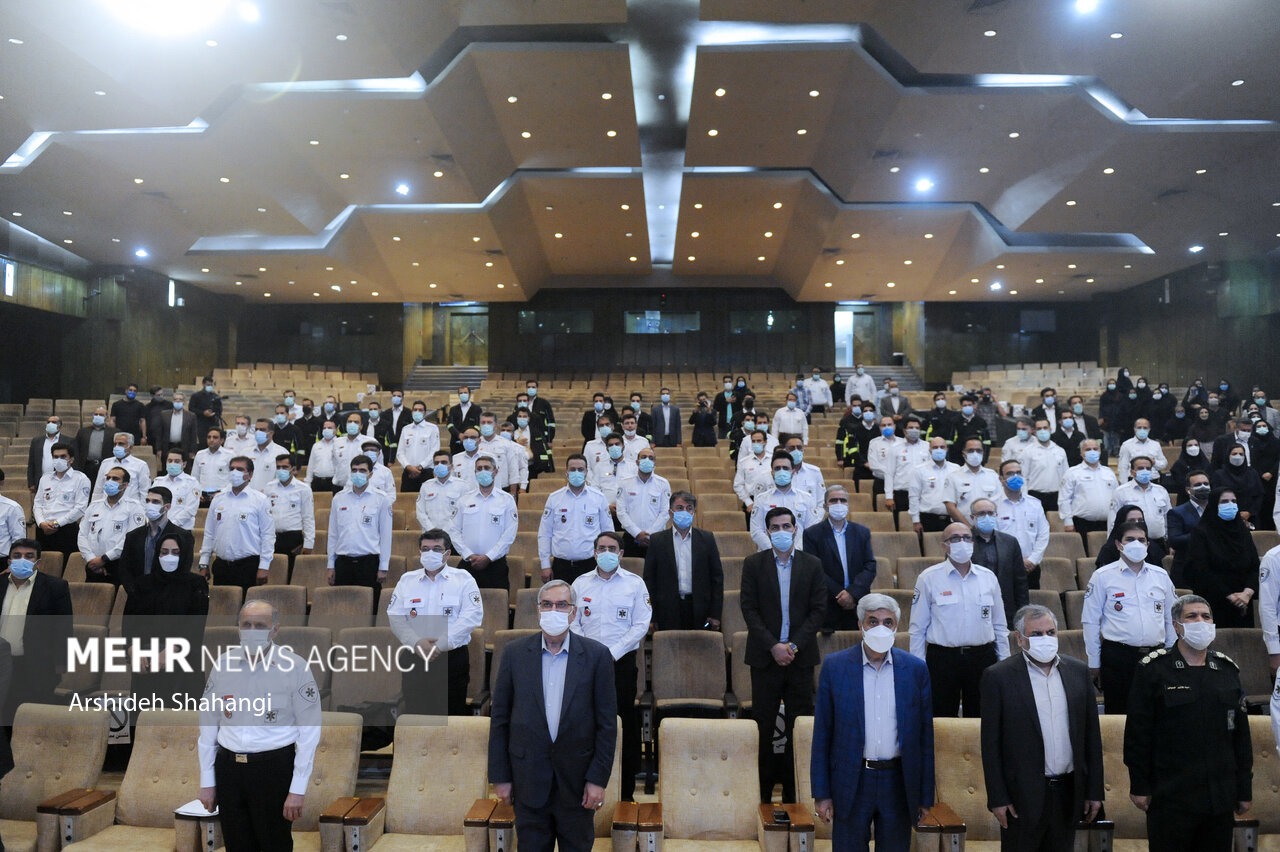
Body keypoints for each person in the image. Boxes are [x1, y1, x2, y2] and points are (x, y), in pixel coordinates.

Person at [488, 579, 617, 852]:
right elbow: (500, 720)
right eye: (547, 604)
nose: (553, 610)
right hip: (528, 781)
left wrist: (597, 780)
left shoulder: (597, 656)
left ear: (574, 611)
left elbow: (606, 726)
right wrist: (500, 776)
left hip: (578, 784)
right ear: (538, 610)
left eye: (561, 605)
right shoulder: (514, 654)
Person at [1123, 595, 1252, 852]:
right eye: (1191, 616)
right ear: (1176, 626)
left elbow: (1240, 737)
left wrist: (1244, 789)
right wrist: (1139, 785)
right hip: (1171, 796)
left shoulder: (1227, 670)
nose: (1200, 621)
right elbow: (1138, 734)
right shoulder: (1153, 670)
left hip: (1219, 797)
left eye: (1206, 616)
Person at [811, 592, 934, 852]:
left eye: (888, 622)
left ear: (896, 627)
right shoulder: (835, 667)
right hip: (851, 781)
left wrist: (925, 797)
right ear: (860, 625)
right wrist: (821, 794)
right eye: (873, 621)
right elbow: (822, 734)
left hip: (897, 782)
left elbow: (925, 738)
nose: (881, 627)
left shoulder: (915, 670)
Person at [197, 600, 322, 852]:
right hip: (229, 769)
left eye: (260, 625)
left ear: (275, 630)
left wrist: (297, 789)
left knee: (274, 845)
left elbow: (309, 732)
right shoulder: (223, 664)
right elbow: (208, 725)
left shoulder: (295, 667)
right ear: (238, 627)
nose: (252, 631)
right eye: (246, 624)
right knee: (236, 845)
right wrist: (207, 781)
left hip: (273, 769)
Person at [980, 604, 1104, 852]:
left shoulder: (1078, 671)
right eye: (1036, 634)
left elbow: (1091, 737)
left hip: (1068, 794)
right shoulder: (998, 677)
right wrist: (998, 798)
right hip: (1021, 798)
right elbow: (990, 745)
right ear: (1020, 639)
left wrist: (1094, 791)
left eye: (1050, 632)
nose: (1045, 639)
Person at [741, 507, 827, 802]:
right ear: (767, 532)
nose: (781, 531)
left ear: (795, 529)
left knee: (798, 727)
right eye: (775, 527)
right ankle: (762, 796)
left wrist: (793, 646)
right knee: (763, 728)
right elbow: (749, 609)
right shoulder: (753, 564)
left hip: (800, 659)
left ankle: (795, 796)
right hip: (765, 659)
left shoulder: (812, 564)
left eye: (786, 526)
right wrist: (773, 646)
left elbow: (818, 611)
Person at [571, 532, 651, 802]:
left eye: (612, 548)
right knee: (585, 724)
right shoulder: (580, 583)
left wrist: (612, 653)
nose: (606, 552)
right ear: (594, 552)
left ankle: (625, 793)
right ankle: (584, 788)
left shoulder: (635, 584)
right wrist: (591, 652)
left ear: (621, 553)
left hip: (621, 664)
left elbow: (640, 624)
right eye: (601, 548)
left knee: (622, 724)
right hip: (585, 663)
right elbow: (572, 620)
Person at [908, 522, 1010, 717]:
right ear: (944, 546)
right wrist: (918, 668)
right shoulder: (928, 578)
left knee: (983, 717)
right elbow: (917, 629)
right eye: (955, 538)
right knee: (941, 717)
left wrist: (1004, 661)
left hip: (982, 658)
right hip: (943, 659)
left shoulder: (988, 577)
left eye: (966, 537)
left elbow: (1000, 625)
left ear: (973, 543)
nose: (962, 542)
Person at [1082, 520, 1177, 714]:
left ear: (1148, 544)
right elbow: (1090, 622)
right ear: (1119, 544)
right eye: (1130, 539)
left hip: (1156, 656)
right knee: (1120, 715)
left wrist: (1171, 653)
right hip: (1118, 657)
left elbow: (1171, 619)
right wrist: (1094, 662)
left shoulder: (1160, 576)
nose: (1136, 544)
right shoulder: (1102, 576)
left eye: (1141, 540)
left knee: (1157, 715)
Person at [387, 528, 483, 716]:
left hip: (451, 660)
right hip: (415, 657)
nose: (430, 553)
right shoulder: (407, 580)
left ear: (447, 553)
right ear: (419, 552)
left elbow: (472, 616)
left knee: (450, 718)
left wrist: (440, 644)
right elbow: (395, 617)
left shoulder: (463, 579)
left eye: (437, 549)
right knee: (416, 718)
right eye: (425, 549)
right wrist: (416, 642)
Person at [123, 532, 208, 705]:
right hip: (146, 664)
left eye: (175, 553)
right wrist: (133, 650)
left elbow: (195, 627)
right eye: (164, 552)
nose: (169, 556)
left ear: (184, 555)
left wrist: (171, 651)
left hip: (183, 663)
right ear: (158, 554)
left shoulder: (196, 585)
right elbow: (130, 624)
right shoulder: (142, 584)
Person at [0, 539, 72, 720]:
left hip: (36, 666)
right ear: (9, 561)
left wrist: (61, 663)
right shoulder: (1, 584)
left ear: (38, 562)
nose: (22, 560)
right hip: (2, 665)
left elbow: (63, 628)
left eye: (29, 556)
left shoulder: (55, 587)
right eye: (17, 556)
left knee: (31, 721)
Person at [643, 492, 724, 631]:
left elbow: (716, 579)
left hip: (700, 609)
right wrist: (652, 616)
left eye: (689, 508)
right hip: (667, 610)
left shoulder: (707, 539)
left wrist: (715, 614)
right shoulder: (657, 541)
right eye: (680, 508)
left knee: (698, 644)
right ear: (671, 513)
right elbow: (650, 581)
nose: (685, 512)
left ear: (694, 512)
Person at [803, 485, 877, 631]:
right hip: (828, 605)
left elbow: (870, 566)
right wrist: (841, 595)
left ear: (848, 505)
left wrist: (852, 593)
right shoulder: (812, 534)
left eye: (842, 500)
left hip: (858, 603)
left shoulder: (862, 532)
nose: (838, 504)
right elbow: (814, 570)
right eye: (833, 500)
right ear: (825, 506)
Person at [199, 457, 275, 594]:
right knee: (221, 606)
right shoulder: (218, 499)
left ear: (250, 475)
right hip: (222, 565)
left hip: (248, 566)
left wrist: (264, 566)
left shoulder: (260, 500)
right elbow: (209, 533)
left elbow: (268, 536)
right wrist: (204, 563)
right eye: (232, 469)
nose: (235, 472)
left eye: (240, 469)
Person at [1186, 487, 1259, 628]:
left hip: (1244, 603)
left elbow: (1255, 567)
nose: (1230, 505)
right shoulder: (1201, 532)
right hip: (1213, 601)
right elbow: (1200, 570)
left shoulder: (1242, 531)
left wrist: (1247, 593)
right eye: (1224, 501)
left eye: (1233, 501)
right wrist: (1230, 596)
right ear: (1214, 504)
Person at [539, 455, 615, 584]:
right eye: (572, 469)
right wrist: (545, 565)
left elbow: (608, 533)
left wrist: (606, 561)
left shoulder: (599, 498)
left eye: (580, 469)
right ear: (566, 472)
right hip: (561, 566)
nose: (576, 473)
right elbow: (545, 534)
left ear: (586, 472)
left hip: (590, 565)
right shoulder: (554, 498)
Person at [447, 454, 518, 590]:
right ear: (475, 472)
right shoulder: (464, 499)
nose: (483, 471)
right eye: (479, 469)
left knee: (497, 602)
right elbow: (454, 530)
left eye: (487, 468)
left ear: (495, 471)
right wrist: (468, 554)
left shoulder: (506, 499)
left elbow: (509, 534)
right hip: (469, 563)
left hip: (496, 565)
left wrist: (489, 557)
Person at [327, 456, 392, 598]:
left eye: (362, 470)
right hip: (343, 562)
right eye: (354, 470)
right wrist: (330, 565)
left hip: (369, 563)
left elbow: (386, 536)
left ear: (371, 474)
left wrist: (383, 567)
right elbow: (333, 534)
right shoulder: (338, 498)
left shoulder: (381, 498)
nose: (358, 473)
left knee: (370, 605)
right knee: (343, 606)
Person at [119, 486, 196, 593]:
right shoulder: (133, 536)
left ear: (167, 507)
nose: (150, 505)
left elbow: (183, 570)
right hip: (137, 595)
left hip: (168, 596)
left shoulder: (183, 536)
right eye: (147, 501)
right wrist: (134, 592)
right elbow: (125, 569)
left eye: (155, 502)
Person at [78, 466, 146, 585]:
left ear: (125, 485)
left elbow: (131, 539)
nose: (110, 481)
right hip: (93, 565)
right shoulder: (94, 506)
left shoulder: (134, 507)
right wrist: (91, 559)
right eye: (108, 478)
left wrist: (104, 559)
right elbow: (82, 535)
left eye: (115, 479)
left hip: (119, 565)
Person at [969, 499, 1030, 626]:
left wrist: (1022, 612)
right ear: (972, 517)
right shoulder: (963, 542)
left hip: (1006, 608)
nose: (987, 517)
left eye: (990, 513)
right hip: (972, 607)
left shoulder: (1010, 542)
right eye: (981, 513)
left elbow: (1020, 581)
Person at [993, 460, 1050, 589]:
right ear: (1001, 479)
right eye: (1010, 473)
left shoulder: (1035, 504)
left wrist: (1033, 560)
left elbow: (1043, 534)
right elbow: (993, 538)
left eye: (1018, 473)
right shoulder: (993, 505)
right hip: (1004, 567)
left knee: (1032, 601)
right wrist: (1014, 562)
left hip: (1031, 567)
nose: (1015, 476)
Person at [749, 451, 819, 551]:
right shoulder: (761, 500)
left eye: (785, 468)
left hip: (800, 554)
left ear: (793, 472)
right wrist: (775, 551)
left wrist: (795, 551)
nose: (781, 472)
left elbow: (812, 529)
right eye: (777, 468)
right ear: (772, 472)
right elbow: (756, 531)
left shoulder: (806, 498)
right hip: (768, 554)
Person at [32, 441, 91, 559]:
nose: (59, 460)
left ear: (71, 460)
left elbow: (80, 508)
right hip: (44, 529)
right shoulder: (45, 478)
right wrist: (41, 523)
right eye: (56, 457)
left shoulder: (81, 479)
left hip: (66, 529)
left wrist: (57, 523)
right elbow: (37, 504)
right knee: (44, 564)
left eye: (63, 456)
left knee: (65, 564)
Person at [1058, 439, 1117, 550]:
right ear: (1081, 453)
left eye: (1095, 449)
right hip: (1082, 524)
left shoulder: (1108, 472)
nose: (1092, 452)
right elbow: (1064, 499)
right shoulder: (1072, 473)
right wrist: (1068, 522)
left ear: (1100, 451)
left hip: (1107, 524)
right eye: (1088, 449)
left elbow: (1116, 498)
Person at [615, 448, 671, 558]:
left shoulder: (663, 483)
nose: (647, 460)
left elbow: (665, 512)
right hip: (631, 537)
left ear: (655, 463)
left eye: (651, 458)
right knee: (631, 568)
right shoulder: (625, 483)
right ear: (637, 462)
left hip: (657, 537)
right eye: (643, 457)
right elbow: (621, 512)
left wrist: (649, 534)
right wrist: (637, 533)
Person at [264, 454, 315, 575]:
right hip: (272, 537)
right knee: (273, 574)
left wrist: (309, 543)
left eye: (285, 467)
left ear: (293, 468)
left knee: (291, 573)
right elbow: (264, 515)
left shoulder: (303, 489)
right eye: (278, 467)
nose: (281, 470)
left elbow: (308, 517)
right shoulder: (269, 487)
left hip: (293, 538)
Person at [1109, 456, 1171, 544]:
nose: (1145, 471)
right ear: (1132, 472)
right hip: (1133, 542)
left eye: (1148, 468)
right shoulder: (1121, 492)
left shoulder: (1161, 491)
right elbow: (1113, 521)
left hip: (1159, 542)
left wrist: (1170, 541)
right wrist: (1112, 544)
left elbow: (1168, 517)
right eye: (1141, 468)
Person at [1167, 471, 1211, 587]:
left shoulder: (1218, 510)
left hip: (1214, 569)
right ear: (1188, 490)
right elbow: (1174, 540)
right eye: (1198, 485)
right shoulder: (1177, 513)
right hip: (1187, 571)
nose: (1203, 487)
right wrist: (1203, 534)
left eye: (1206, 484)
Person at [944, 437, 1002, 524]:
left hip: (989, 526)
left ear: (983, 453)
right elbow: (950, 507)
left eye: (978, 451)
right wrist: (968, 527)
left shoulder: (993, 475)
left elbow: (1000, 503)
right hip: (963, 528)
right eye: (971, 451)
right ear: (964, 454)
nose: (975, 454)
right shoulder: (953, 477)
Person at [909, 437, 959, 533]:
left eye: (942, 447)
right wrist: (916, 521)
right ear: (929, 450)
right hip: (928, 519)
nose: (939, 450)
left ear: (947, 449)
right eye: (935, 447)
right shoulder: (919, 470)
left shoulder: (956, 469)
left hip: (951, 518)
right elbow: (914, 497)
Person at [1095, 504, 1167, 568]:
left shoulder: (1152, 548)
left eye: (1140, 520)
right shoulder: (1109, 550)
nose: (1137, 524)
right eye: (1131, 521)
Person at [415, 449, 469, 532]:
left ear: (451, 466)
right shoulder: (426, 486)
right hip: (430, 534)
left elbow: (464, 512)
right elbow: (420, 512)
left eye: (443, 462)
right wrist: (432, 529)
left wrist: (446, 531)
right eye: (436, 463)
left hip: (454, 534)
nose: (439, 465)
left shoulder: (462, 486)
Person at [1021, 419, 1068, 511]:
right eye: (1039, 429)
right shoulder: (1028, 451)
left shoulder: (1060, 451)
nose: (1042, 431)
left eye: (1045, 428)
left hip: (1056, 496)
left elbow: (1066, 477)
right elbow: (1023, 476)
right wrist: (1024, 497)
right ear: (1034, 432)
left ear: (1050, 429)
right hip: (1035, 495)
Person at [1211, 445, 1264, 524]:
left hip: (1250, 518)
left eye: (1241, 454)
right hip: (1226, 517)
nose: (1238, 456)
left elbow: (1259, 495)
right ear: (1228, 456)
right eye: (1234, 454)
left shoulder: (1252, 473)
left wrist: (1249, 512)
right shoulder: (1219, 475)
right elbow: (1215, 497)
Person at [93, 432, 150, 502]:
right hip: (106, 505)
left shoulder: (141, 465)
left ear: (130, 447)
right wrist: (94, 506)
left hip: (130, 506)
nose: (117, 447)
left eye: (121, 444)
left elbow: (144, 492)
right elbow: (98, 490)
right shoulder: (106, 463)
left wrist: (142, 508)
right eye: (115, 444)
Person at [155, 449, 201, 531]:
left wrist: (170, 525)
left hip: (181, 529)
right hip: (158, 528)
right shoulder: (158, 482)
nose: (172, 464)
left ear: (184, 464)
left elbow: (190, 509)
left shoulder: (192, 483)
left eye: (177, 461)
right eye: (170, 461)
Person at [74, 405, 118, 485]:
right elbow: (76, 449)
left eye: (101, 415)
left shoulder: (114, 432)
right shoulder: (83, 431)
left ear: (106, 417)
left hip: (104, 466)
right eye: (96, 414)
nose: (98, 416)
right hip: (86, 466)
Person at [1117, 419, 1167, 483]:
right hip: (1133, 481)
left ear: (1149, 429)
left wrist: (1154, 462)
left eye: (1145, 428)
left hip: (1153, 480)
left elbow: (1164, 464)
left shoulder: (1155, 445)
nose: (1142, 430)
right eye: (1139, 427)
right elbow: (1123, 467)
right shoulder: (1127, 445)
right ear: (1134, 429)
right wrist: (1124, 484)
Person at [25, 413, 65, 492]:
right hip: (41, 481)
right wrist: (31, 483)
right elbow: (31, 463)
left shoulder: (68, 441)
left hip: (62, 482)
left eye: (53, 422)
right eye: (48, 422)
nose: (50, 424)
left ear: (59, 426)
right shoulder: (36, 441)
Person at [194, 428, 232, 506]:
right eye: (209, 437)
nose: (211, 440)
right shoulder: (200, 454)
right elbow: (194, 478)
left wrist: (222, 492)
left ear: (222, 440)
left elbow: (233, 479)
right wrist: (197, 493)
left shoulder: (230, 455)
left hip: (222, 495)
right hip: (202, 497)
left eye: (215, 437)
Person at [155, 392, 198, 460]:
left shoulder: (191, 416)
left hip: (184, 447)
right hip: (168, 447)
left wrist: (192, 451)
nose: (178, 401)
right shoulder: (164, 415)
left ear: (184, 402)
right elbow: (159, 433)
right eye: (175, 399)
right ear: (173, 401)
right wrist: (158, 449)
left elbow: (193, 435)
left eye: (180, 399)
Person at [303, 421, 338, 493]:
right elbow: (311, 465)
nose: (326, 430)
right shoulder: (316, 445)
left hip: (334, 482)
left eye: (330, 428)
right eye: (324, 428)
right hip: (317, 482)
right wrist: (308, 482)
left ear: (336, 430)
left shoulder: (340, 444)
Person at [189, 377, 223, 447]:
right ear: (203, 384)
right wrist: (203, 413)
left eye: (211, 385)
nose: (210, 386)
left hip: (213, 423)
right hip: (201, 423)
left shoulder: (216, 396)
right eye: (208, 385)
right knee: (203, 443)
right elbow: (191, 409)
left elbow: (219, 410)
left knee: (214, 443)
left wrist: (214, 413)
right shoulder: (196, 396)